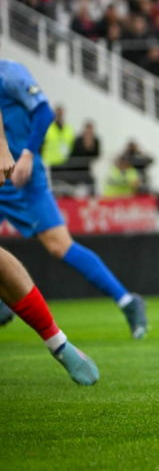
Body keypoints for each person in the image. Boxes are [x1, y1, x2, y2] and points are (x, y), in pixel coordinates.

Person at [0, 59, 147, 338]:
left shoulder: (9, 73)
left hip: (22, 177)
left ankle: (127, 301)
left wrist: (28, 155)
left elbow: (44, 112)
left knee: (59, 245)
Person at [0, 107, 99, 385]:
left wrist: (4, 147)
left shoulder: (15, 81)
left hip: (32, 179)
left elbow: (43, 111)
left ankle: (58, 343)